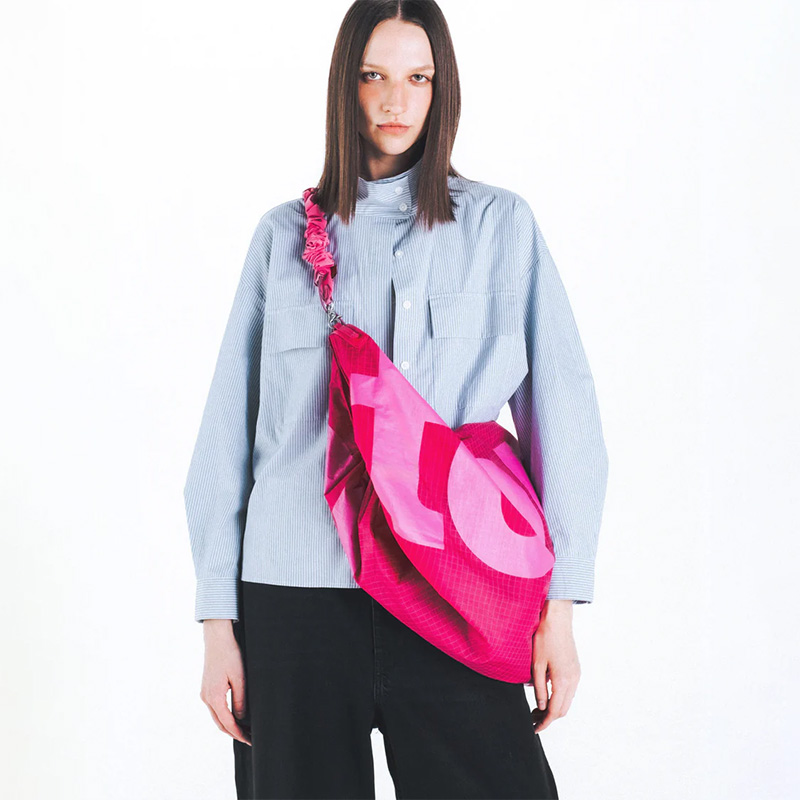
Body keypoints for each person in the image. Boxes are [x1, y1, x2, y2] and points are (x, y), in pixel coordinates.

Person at [183, 1, 609, 798]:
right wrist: (217, 625)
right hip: (296, 601)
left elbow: (566, 419)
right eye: (373, 76)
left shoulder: (502, 228)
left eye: (419, 78)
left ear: (443, 89)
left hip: (455, 592)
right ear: (343, 85)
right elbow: (226, 437)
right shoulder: (282, 238)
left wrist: (560, 609)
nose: (394, 101)